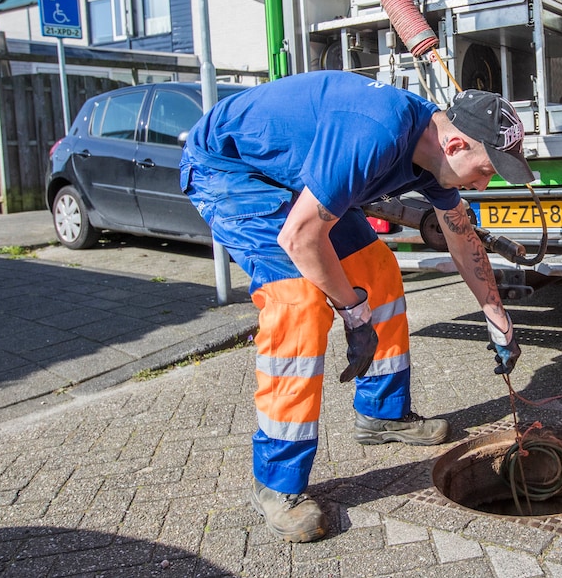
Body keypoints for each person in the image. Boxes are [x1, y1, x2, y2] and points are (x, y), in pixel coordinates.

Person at [180, 71, 533, 543]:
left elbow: (461, 233)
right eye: (487, 170)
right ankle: (276, 484)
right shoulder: (377, 133)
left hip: (292, 174)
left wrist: (497, 318)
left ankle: (382, 415)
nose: (485, 185)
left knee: (377, 270)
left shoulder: (434, 153)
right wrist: (352, 313)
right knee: (299, 300)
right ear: (455, 148)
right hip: (230, 170)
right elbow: (299, 237)